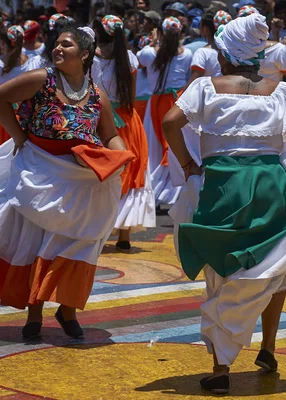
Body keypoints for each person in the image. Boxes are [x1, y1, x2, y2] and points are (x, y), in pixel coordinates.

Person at [0, 27, 132, 340]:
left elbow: (109, 133)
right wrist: (19, 137)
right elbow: (1, 97)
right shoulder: (42, 79)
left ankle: (67, 309)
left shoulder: (97, 94)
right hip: (40, 171)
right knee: (35, 240)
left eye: (66, 45)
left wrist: (120, 154)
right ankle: (34, 315)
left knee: (80, 242)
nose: (58, 49)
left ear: (84, 54)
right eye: (56, 44)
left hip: (82, 178)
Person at [162, 14, 286, 394]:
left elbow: (171, 122)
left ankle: (221, 368)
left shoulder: (206, 86)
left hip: (224, 184)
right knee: (272, 267)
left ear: (227, 51)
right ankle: (268, 347)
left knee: (221, 268)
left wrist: (189, 165)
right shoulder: (280, 89)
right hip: (271, 184)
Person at [92, 15, 155, 251]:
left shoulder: (91, 58)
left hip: (100, 118)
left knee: (101, 170)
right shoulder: (129, 58)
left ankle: (98, 229)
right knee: (129, 170)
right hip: (127, 119)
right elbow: (132, 92)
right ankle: (124, 234)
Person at [138, 16, 192, 208]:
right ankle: (174, 192)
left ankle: (155, 191)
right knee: (176, 145)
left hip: (157, 102)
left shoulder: (149, 53)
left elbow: (141, 62)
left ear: (160, 32)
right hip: (177, 102)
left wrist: (154, 41)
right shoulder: (186, 54)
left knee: (154, 149)